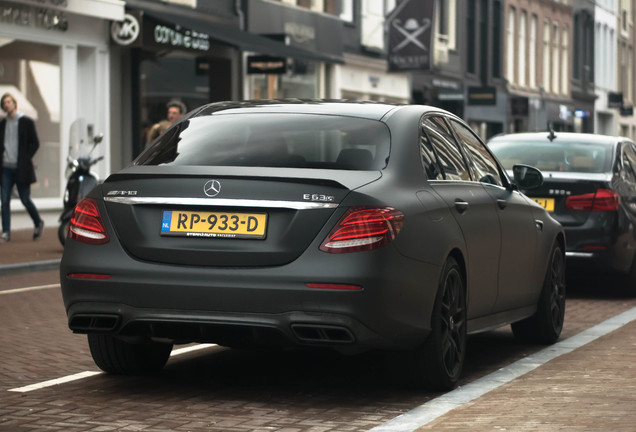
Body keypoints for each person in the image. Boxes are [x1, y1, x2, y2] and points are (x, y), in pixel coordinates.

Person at [0, 92, 44, 242]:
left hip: (21, 168)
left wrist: (25, 158)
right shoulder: (2, 124)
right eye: (4, 103)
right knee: (4, 201)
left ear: (14, 103)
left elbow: (35, 143)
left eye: (8, 102)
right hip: (5, 168)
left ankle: (38, 222)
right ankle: (6, 232)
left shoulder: (26, 122)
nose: (7, 105)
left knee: (25, 199)